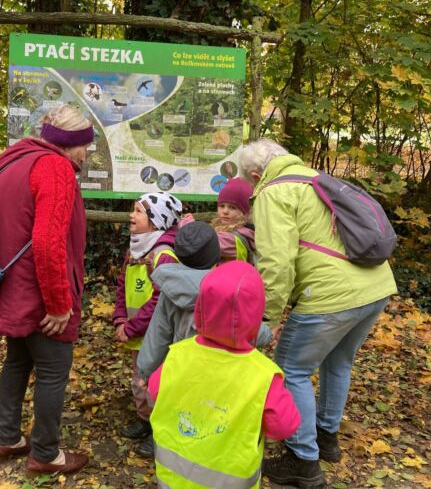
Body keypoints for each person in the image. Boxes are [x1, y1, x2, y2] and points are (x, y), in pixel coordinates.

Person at [239, 139, 397, 487]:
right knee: (338, 362)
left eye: (250, 183)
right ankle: (327, 438)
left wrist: (266, 318)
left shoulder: (273, 192)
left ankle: (303, 460)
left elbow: (276, 263)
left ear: (255, 174)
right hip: (376, 286)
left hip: (330, 295)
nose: (252, 189)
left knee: (292, 370)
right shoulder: (316, 178)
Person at [0, 105, 93, 476]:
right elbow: (47, 242)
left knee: (18, 360)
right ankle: (46, 452)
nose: (86, 154)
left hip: (11, 286)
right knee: (52, 370)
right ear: (69, 143)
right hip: (42, 290)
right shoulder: (54, 167)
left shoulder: (12, 161)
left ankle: (6, 437)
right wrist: (60, 304)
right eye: (84, 146)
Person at [148, 261, 301, 488]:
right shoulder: (263, 375)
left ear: (200, 307)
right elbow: (284, 426)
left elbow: (154, 393)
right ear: (255, 314)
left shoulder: (178, 354)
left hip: (173, 479)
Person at [137, 220, 271, 382]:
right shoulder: (227, 290)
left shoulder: (171, 290)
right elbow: (247, 327)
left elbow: (158, 334)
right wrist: (267, 333)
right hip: (225, 374)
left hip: (184, 372)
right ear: (215, 254)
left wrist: (145, 372)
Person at [112, 191, 182, 455]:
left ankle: (159, 431)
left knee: (156, 384)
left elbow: (159, 300)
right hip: (137, 335)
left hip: (156, 337)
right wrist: (120, 317)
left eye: (139, 211)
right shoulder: (134, 250)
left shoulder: (163, 255)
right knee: (139, 380)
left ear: (156, 220)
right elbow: (122, 284)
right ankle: (145, 421)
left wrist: (131, 327)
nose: (132, 215)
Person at [213, 177, 256, 263]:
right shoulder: (223, 228)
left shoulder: (236, 237)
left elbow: (205, 243)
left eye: (232, 207)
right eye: (221, 206)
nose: (225, 211)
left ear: (244, 212)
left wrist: (187, 225)